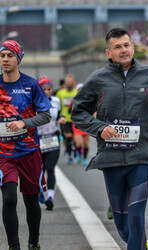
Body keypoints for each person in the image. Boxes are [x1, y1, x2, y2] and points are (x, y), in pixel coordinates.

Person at [71, 28, 148, 250]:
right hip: (111, 158)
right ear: (109, 53)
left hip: (140, 155)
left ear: (132, 47)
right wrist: (99, 128)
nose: (123, 50)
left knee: (136, 214)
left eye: (126, 45)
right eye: (117, 47)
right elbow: (77, 113)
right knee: (123, 225)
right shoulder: (98, 79)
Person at [0, 40, 52, 250]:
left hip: (30, 151)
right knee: (9, 198)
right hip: (4, 154)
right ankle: (14, 246)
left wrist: (24, 122)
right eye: (2, 56)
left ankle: (33, 242)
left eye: (9, 56)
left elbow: (46, 115)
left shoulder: (31, 85)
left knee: (31, 201)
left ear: (18, 58)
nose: (5, 59)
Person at [37, 76, 66, 210]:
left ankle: (51, 198)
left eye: (49, 89)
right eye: (44, 89)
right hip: (38, 139)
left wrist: (62, 118)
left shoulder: (55, 101)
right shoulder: (33, 102)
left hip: (53, 138)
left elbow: (59, 114)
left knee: (50, 168)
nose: (47, 92)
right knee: (39, 170)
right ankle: (40, 193)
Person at [56, 74, 78, 164]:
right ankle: (70, 155)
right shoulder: (60, 93)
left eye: (70, 81)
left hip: (75, 119)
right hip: (64, 119)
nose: (69, 83)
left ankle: (75, 149)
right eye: (67, 81)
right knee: (68, 137)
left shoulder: (77, 92)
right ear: (65, 82)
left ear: (73, 82)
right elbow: (57, 106)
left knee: (75, 138)